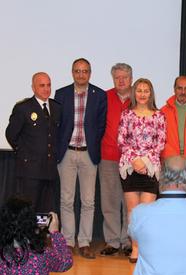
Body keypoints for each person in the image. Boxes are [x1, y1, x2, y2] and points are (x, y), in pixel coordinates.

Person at [55, 58, 107, 259]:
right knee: (66, 200)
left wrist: (93, 144)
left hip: (88, 153)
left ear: (90, 73)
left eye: (84, 71)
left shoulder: (99, 95)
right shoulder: (61, 94)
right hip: (67, 152)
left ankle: (84, 242)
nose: (81, 74)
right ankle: (68, 242)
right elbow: (58, 124)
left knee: (88, 201)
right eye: (77, 71)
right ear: (72, 73)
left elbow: (101, 126)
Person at [118, 78, 166, 263]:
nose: (143, 94)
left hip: (150, 168)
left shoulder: (159, 115)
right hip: (130, 167)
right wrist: (135, 160)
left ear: (151, 93)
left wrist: (144, 161)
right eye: (139, 90)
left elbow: (160, 143)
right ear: (134, 93)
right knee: (133, 211)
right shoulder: (127, 115)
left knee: (147, 212)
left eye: (146, 90)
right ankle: (135, 248)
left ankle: (146, 249)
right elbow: (122, 140)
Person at [0, 196, 73, 275]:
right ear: (31, 223)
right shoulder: (42, 253)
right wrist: (55, 233)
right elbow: (66, 262)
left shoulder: (2, 255)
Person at [5, 72, 61, 213]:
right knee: (28, 210)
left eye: (48, 85)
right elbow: (11, 134)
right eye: (42, 85)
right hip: (30, 170)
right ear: (33, 88)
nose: (46, 89)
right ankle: (27, 236)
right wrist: (24, 154)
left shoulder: (56, 107)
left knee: (50, 212)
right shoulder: (23, 108)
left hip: (50, 170)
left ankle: (48, 236)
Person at [99, 63, 133, 257]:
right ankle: (112, 241)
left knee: (130, 203)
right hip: (108, 157)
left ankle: (129, 241)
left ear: (131, 79)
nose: (121, 81)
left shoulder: (139, 97)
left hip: (132, 161)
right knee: (110, 202)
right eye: (117, 77)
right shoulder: (104, 97)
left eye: (124, 77)